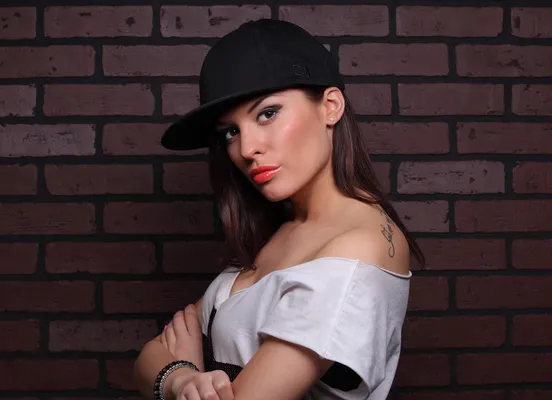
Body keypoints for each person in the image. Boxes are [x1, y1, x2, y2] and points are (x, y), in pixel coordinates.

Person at [134, 19, 424, 400]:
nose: (246, 147)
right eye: (230, 132)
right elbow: (152, 353)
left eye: (267, 113)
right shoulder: (280, 231)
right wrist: (182, 379)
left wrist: (183, 375)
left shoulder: (357, 251)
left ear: (330, 107)